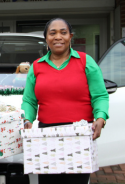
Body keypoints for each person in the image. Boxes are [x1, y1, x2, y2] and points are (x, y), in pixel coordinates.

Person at [21, 18, 109, 184]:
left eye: (63, 32)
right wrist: (27, 120)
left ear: (71, 36)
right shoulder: (37, 66)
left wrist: (100, 118)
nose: (58, 37)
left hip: (80, 134)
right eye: (52, 33)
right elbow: (29, 101)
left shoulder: (85, 61)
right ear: (46, 38)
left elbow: (100, 95)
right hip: (46, 135)